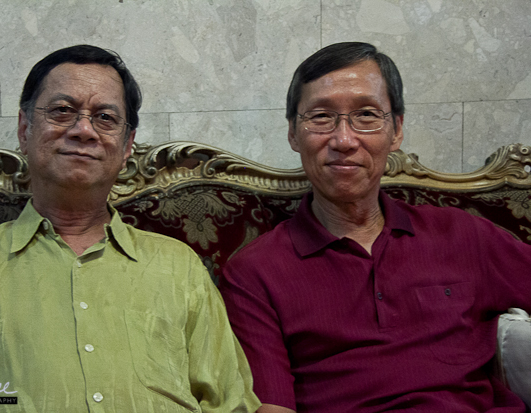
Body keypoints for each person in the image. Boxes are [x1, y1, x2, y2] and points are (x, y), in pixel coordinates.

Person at [0, 45, 260, 412]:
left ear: (127, 146)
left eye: (105, 118)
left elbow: (230, 401)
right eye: (62, 111)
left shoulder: (179, 266)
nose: (83, 130)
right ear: (25, 128)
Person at [218, 41, 531, 412]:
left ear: (396, 130)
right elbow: (273, 407)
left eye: (366, 115)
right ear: (292, 133)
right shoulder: (254, 273)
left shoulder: (463, 235)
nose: (344, 140)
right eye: (321, 117)